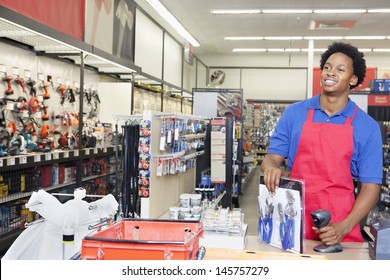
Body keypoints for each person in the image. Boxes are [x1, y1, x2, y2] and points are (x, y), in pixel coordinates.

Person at [260, 42, 383, 244]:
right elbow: (272, 158)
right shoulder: (294, 113)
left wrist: (345, 226)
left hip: (340, 222)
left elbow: (370, 186)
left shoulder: (366, 127)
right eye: (327, 67)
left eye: (340, 69)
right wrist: (271, 168)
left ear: (353, 79)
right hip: (293, 215)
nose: (330, 72)